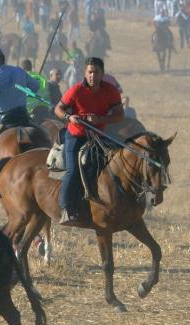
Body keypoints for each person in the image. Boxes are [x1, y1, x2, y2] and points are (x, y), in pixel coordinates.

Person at [53, 57, 123, 226]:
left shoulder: (111, 91)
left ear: (102, 74)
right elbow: (58, 109)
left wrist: (100, 118)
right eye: (90, 72)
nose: (92, 75)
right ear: (85, 73)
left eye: (96, 72)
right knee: (73, 170)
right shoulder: (76, 90)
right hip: (76, 135)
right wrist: (70, 117)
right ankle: (66, 209)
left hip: (98, 135)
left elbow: (120, 115)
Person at [0, 47, 41, 199]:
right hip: (23, 116)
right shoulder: (19, 71)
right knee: (44, 137)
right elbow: (35, 87)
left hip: (5, 119)